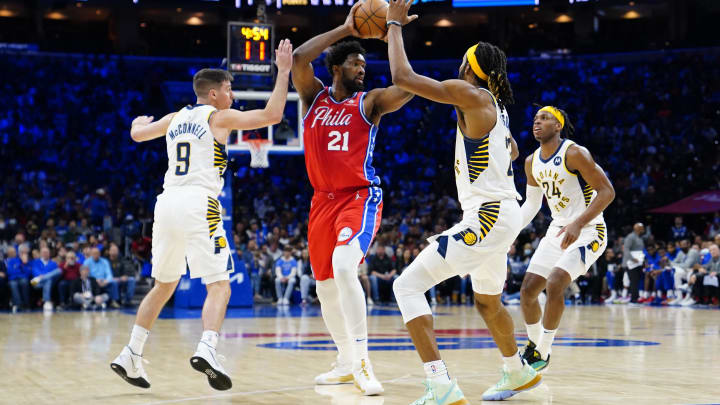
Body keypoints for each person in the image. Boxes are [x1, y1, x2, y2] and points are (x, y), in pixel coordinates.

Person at [110, 39, 294, 391]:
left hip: (165, 204)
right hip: (200, 203)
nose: (233, 94)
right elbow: (272, 115)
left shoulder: (173, 118)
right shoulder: (219, 117)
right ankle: (208, 349)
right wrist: (283, 72)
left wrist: (136, 122)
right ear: (213, 95)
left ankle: (131, 352)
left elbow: (136, 134)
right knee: (219, 285)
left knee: (164, 284)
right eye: (229, 88)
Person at [386, 1, 540, 402]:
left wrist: (393, 26)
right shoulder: (499, 107)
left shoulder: (469, 94)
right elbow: (510, 148)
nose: (457, 66)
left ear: (471, 68)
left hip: (487, 216)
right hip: (501, 215)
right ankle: (517, 371)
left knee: (406, 287)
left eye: (462, 61)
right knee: (488, 302)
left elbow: (402, 76)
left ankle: (440, 384)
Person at [291, 3, 415, 395]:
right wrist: (345, 28)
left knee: (346, 267)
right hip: (321, 202)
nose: (363, 70)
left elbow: (408, 83)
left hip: (358, 197)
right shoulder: (314, 99)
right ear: (337, 68)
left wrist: (393, 28)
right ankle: (345, 359)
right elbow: (298, 58)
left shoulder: (371, 102)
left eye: (364, 65)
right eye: (355, 64)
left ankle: (363, 361)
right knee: (324, 285)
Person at [518, 106, 615, 371]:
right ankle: (533, 345)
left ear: (558, 125)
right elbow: (531, 205)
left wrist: (578, 222)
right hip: (558, 229)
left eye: (545, 118)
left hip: (589, 229)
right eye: (536, 119)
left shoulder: (574, 153)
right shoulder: (531, 161)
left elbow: (607, 192)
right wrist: (508, 231)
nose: (538, 122)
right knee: (527, 291)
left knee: (556, 281)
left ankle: (543, 352)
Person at [30, 246, 62, 310]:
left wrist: (42, 277)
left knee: (58, 271)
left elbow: (56, 275)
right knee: (48, 280)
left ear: (49, 254)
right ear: (41, 253)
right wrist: (40, 275)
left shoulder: (53, 263)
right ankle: (47, 301)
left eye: (47, 252)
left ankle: (46, 301)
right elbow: (34, 271)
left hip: (40, 281)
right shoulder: (35, 262)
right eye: (44, 252)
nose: (45, 254)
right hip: (36, 283)